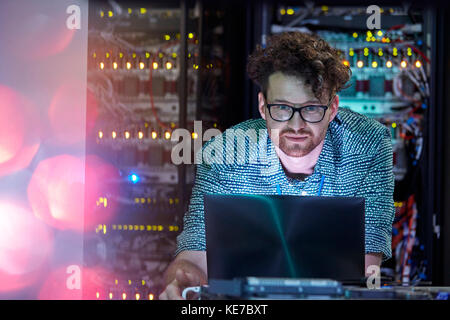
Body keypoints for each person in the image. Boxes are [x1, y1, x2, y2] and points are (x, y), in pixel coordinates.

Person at [159, 32, 395, 300]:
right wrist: (182, 278)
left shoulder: (369, 145)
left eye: (311, 109)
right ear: (262, 106)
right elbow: (195, 254)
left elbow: (363, 265)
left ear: (332, 108)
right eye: (282, 108)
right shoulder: (223, 152)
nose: (296, 126)